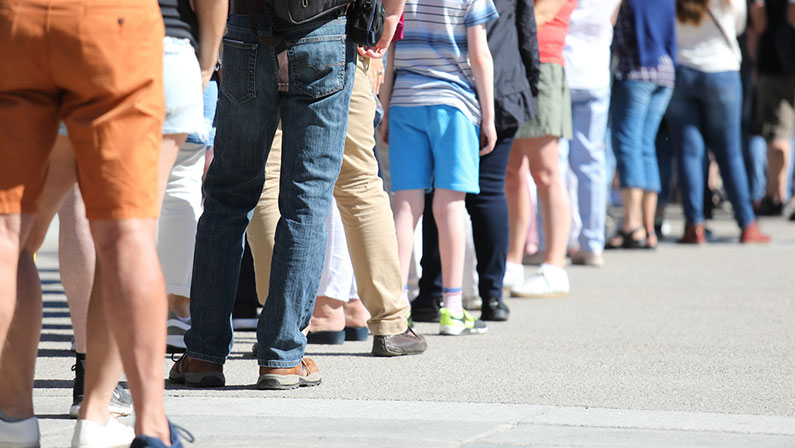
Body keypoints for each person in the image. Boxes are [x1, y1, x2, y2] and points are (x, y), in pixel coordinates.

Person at [171, 0, 408, 389]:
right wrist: (392, 16)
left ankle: (203, 355)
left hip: (246, 27)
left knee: (227, 198)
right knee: (308, 200)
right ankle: (282, 357)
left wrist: (207, 47)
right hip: (326, 29)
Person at [0, 0, 189, 446]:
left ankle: (14, 419)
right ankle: (142, 424)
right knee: (127, 233)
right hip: (115, 20)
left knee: (8, 233)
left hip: (19, 19)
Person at [245, 55, 427, 355]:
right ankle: (391, 324)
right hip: (337, 42)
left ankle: (279, 323)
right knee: (358, 182)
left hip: (260, 41)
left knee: (268, 175)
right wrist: (379, 41)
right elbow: (392, 10)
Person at [409, 0, 541, 323]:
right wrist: (531, 85)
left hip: (446, 84)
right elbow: (526, 31)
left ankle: (431, 293)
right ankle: (491, 296)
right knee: (489, 193)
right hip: (501, 85)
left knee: (437, 193)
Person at [382, 0, 498, 335]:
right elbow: (480, 56)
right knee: (450, 205)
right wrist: (488, 118)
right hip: (455, 103)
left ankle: (397, 308)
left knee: (405, 205)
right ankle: (452, 307)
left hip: (405, 99)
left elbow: (390, 53)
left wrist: (387, 109)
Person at [667, 0, 771, 244]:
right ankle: (747, 224)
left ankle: (694, 224)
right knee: (729, 153)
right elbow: (738, 26)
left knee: (688, 152)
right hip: (722, 71)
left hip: (682, 71)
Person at [505, 0, 577, 298]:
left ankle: (554, 268)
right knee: (512, 173)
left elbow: (543, 13)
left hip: (542, 64)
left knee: (546, 173)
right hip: (513, 65)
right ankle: (512, 262)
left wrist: (494, 35)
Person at [606, 0, 677, 251]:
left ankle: (632, 225)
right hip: (665, 71)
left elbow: (620, 39)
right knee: (646, 147)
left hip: (636, 71)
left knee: (628, 147)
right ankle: (649, 227)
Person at [564, 0, 622, 267]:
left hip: (564, 67)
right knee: (591, 162)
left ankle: (556, 242)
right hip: (596, 72)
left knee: (556, 163)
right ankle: (592, 242)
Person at [749, 0, 795, 216]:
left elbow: (758, 22)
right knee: (780, 135)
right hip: (776, 64)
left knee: (778, 134)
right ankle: (778, 195)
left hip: (775, 65)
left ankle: (776, 195)